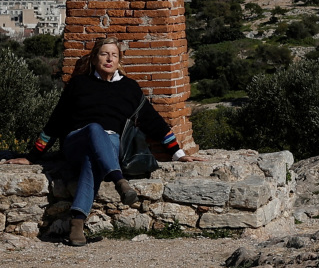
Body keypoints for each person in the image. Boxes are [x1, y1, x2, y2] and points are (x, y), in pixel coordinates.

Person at [2, 36, 204, 245]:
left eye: (114, 55)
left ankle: (77, 223)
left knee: (94, 157)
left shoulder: (130, 88)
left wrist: (178, 154)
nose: (109, 59)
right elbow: (56, 121)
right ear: (95, 58)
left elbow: (155, 123)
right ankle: (119, 181)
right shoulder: (79, 84)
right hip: (76, 142)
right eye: (104, 54)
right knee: (95, 129)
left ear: (119, 60)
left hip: (109, 146)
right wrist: (33, 156)